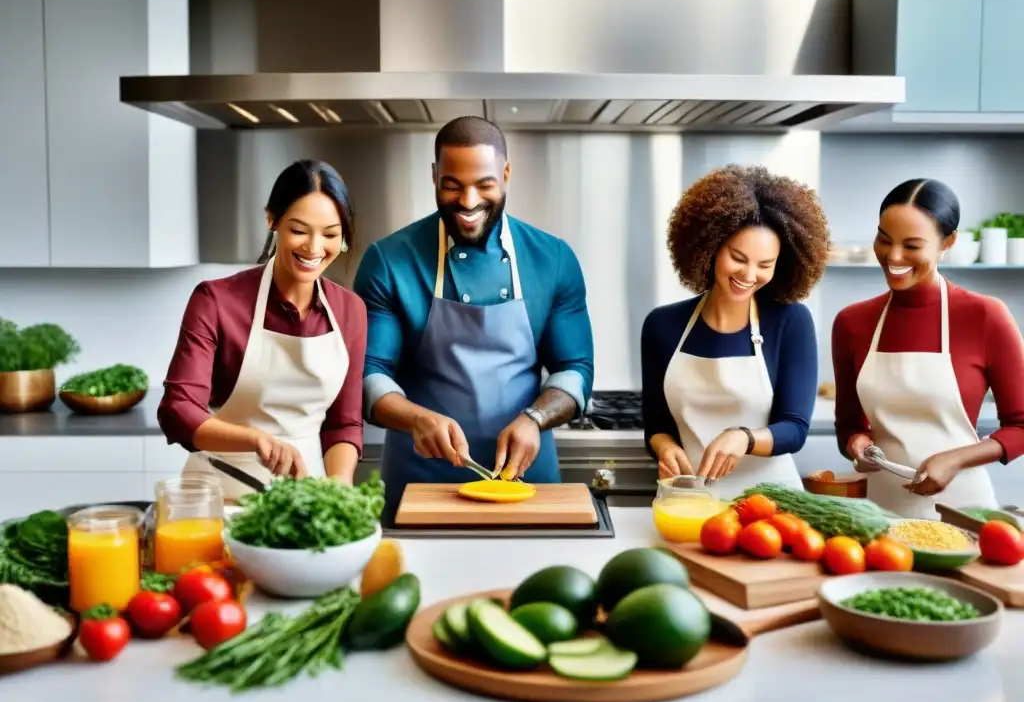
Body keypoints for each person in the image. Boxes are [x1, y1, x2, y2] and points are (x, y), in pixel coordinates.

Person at [353, 116, 594, 511]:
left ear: (506, 173)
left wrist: (534, 418)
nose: (468, 202)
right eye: (452, 185)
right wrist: (415, 419)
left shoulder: (553, 259)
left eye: (484, 185)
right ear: (434, 177)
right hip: (419, 488)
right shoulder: (389, 261)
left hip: (527, 485)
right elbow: (368, 374)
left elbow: (575, 369)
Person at [158, 160, 367, 499]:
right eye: (298, 230)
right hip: (218, 498)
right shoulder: (215, 300)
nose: (314, 248)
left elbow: (343, 423)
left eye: (330, 234)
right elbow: (178, 410)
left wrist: (339, 487)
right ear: (272, 220)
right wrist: (257, 441)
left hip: (306, 498)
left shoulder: (350, 310)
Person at [832, 179, 1024, 519]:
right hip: (877, 514)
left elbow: (1021, 425)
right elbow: (849, 425)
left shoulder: (985, 316)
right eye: (884, 239)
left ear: (947, 242)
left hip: (962, 509)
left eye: (912, 245)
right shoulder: (852, 322)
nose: (893, 257)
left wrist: (956, 458)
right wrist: (856, 446)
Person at [641, 165, 830, 501]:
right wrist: (665, 448)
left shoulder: (791, 322)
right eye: (738, 258)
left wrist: (744, 437)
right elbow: (657, 426)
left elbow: (795, 428)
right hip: (688, 501)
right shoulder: (662, 326)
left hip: (771, 507)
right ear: (711, 247)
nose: (749, 274)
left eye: (765, 264)